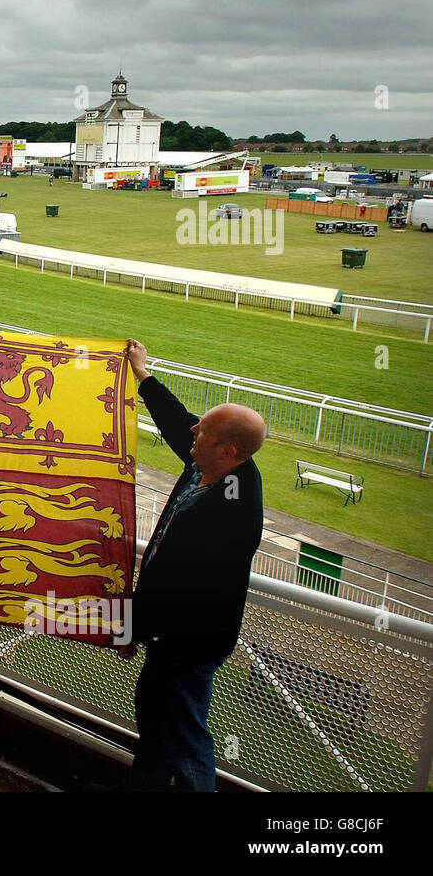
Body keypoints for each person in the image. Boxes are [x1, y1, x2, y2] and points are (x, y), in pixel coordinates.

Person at [118, 339, 265, 791]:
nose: (193, 431)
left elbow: (176, 587)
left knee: (184, 737)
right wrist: (144, 375)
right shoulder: (214, 464)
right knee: (157, 723)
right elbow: (181, 425)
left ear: (228, 452)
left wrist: (132, 628)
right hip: (175, 637)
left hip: (187, 641)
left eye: (203, 431)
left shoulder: (231, 514)